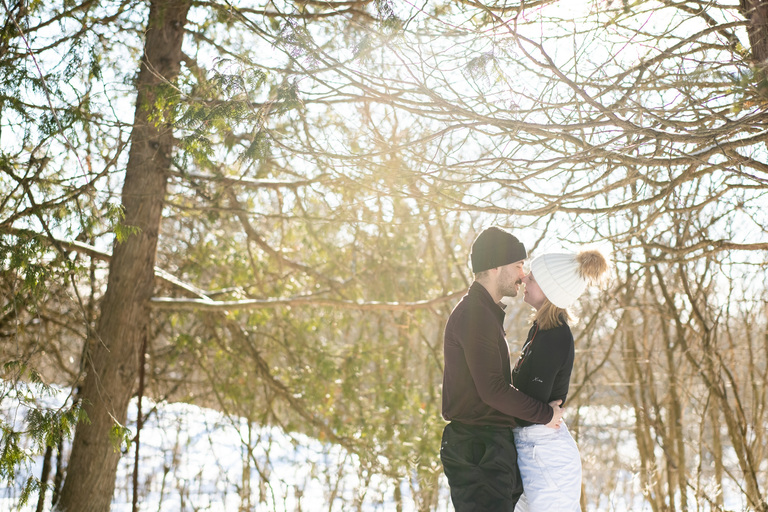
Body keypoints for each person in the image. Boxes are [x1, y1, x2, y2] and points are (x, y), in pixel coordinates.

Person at [440, 227, 565, 511]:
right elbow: (493, 390)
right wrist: (546, 415)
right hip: (477, 450)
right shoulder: (475, 315)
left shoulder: (484, 313)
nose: (523, 274)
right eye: (518, 265)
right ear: (495, 266)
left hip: (486, 447)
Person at [511, 248, 609, 511]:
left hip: (548, 460)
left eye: (532, 278)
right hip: (531, 450)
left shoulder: (556, 336)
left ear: (549, 291)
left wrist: (503, 398)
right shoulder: (540, 329)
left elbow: (529, 409)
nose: (524, 279)